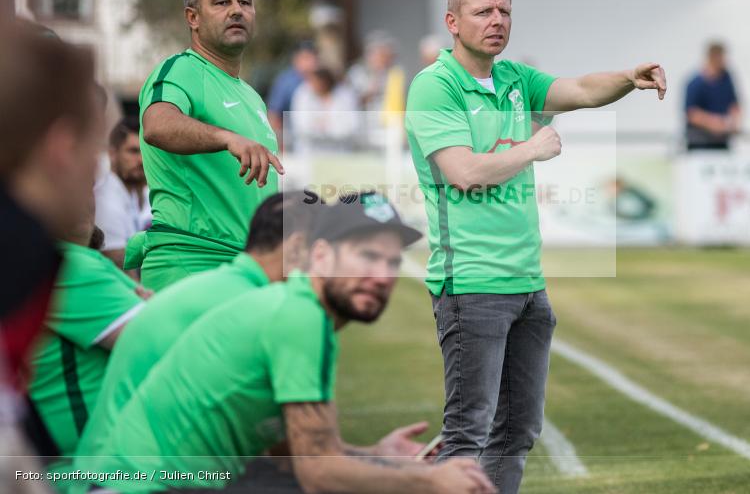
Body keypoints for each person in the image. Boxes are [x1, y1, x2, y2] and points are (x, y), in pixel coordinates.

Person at [404, 0, 666, 494]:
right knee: (466, 436)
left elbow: (581, 90)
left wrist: (626, 79)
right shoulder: (435, 86)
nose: (497, 21)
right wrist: (533, 148)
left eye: (503, 11)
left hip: (527, 285)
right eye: (484, 12)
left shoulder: (515, 79)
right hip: (472, 286)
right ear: (453, 22)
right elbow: (464, 173)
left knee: (517, 431)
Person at [74, 192, 495, 494]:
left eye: (390, 261)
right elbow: (320, 474)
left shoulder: (297, 311)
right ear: (318, 256)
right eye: (366, 256)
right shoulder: (300, 318)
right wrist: (430, 481)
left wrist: (376, 457)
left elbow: (298, 448)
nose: (383, 275)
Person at [75, 190, 321, 458]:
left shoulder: (223, 287)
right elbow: (306, 462)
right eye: (322, 253)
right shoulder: (258, 306)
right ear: (297, 248)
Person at [135, 0, 284, 292]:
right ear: (193, 18)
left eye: (244, 2)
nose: (236, 10)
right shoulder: (180, 69)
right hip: (190, 264)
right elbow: (156, 125)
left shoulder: (252, 97)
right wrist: (226, 138)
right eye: (221, 2)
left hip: (243, 270)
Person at [0, 21, 104, 491]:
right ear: (63, 147)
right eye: (96, 148)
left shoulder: (30, 251)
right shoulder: (17, 257)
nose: (96, 172)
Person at [27, 192, 146, 458]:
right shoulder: (69, 265)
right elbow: (163, 344)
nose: (82, 197)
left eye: (90, 185)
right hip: (92, 472)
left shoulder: (84, 262)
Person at [94, 116, 152, 270]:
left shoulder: (136, 192)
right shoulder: (106, 202)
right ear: (112, 154)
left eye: (146, 151)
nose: (141, 160)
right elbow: (126, 273)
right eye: (133, 151)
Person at [684, 41, 740, 150]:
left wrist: (734, 122)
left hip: (721, 143)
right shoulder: (695, 83)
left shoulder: (727, 80)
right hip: (699, 144)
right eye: (722, 57)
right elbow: (691, 113)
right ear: (713, 57)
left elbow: (734, 105)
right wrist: (714, 123)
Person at [288, 67, 361, 150]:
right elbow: (301, 125)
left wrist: (327, 129)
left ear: (326, 82)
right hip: (310, 151)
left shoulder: (345, 96)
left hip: (339, 151)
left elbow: (351, 126)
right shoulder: (303, 94)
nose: (314, 85)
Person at [267, 41, 319, 148]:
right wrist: (280, 146)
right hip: (293, 143)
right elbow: (274, 116)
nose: (310, 63)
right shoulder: (286, 82)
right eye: (305, 58)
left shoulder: (322, 78)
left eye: (312, 58)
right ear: (296, 60)